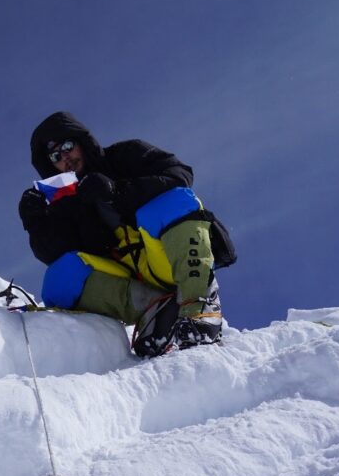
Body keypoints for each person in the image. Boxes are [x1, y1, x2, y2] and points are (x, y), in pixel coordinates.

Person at [18, 112, 232, 357]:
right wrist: (35, 221)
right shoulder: (67, 204)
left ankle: (200, 305)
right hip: (133, 279)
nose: (65, 157)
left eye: (68, 146)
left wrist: (117, 192)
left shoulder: (126, 155)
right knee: (59, 279)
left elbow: (179, 176)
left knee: (172, 201)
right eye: (56, 156)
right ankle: (157, 310)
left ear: (81, 141)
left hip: (168, 256)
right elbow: (55, 254)